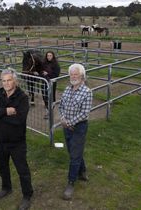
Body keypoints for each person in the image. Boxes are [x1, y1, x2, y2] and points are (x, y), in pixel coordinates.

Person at [0, 69, 33, 210]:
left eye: (9, 80)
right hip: (0, 139)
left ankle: (27, 195)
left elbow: (19, 120)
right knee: (2, 166)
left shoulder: (22, 98)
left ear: (15, 81)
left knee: (22, 169)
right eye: (3, 80)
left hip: (16, 141)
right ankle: (6, 188)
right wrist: (6, 111)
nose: (6, 83)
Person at [58, 63, 93, 200]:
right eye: (71, 74)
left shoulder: (87, 92)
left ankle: (71, 183)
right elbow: (61, 106)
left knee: (74, 155)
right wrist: (62, 118)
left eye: (76, 74)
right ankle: (83, 171)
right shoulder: (67, 89)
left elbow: (84, 113)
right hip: (66, 126)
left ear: (82, 76)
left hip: (79, 127)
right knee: (74, 152)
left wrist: (70, 123)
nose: (73, 76)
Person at [41, 51, 61, 119]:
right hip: (44, 82)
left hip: (52, 82)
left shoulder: (56, 64)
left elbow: (56, 74)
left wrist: (48, 74)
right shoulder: (44, 63)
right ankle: (48, 110)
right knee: (44, 96)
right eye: (48, 55)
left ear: (53, 56)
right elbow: (41, 71)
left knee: (51, 96)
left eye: (50, 55)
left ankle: (50, 111)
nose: (49, 57)